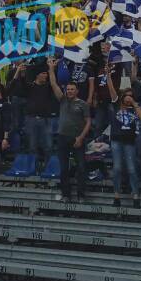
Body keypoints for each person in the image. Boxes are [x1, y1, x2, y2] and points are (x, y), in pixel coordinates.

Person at [48, 57, 90, 202]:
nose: (70, 91)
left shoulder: (83, 104)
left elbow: (88, 122)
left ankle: (81, 195)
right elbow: (53, 83)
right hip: (62, 137)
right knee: (64, 168)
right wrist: (51, 69)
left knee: (81, 168)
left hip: (77, 139)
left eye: (72, 89)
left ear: (77, 91)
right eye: (68, 89)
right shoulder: (62, 99)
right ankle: (66, 194)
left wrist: (81, 138)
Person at [105, 63, 141, 207]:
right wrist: (108, 76)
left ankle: (135, 195)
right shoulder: (116, 105)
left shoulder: (135, 108)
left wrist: (134, 103)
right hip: (116, 140)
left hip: (130, 142)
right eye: (126, 96)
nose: (128, 97)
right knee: (116, 168)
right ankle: (116, 195)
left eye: (131, 95)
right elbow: (110, 89)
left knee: (131, 169)